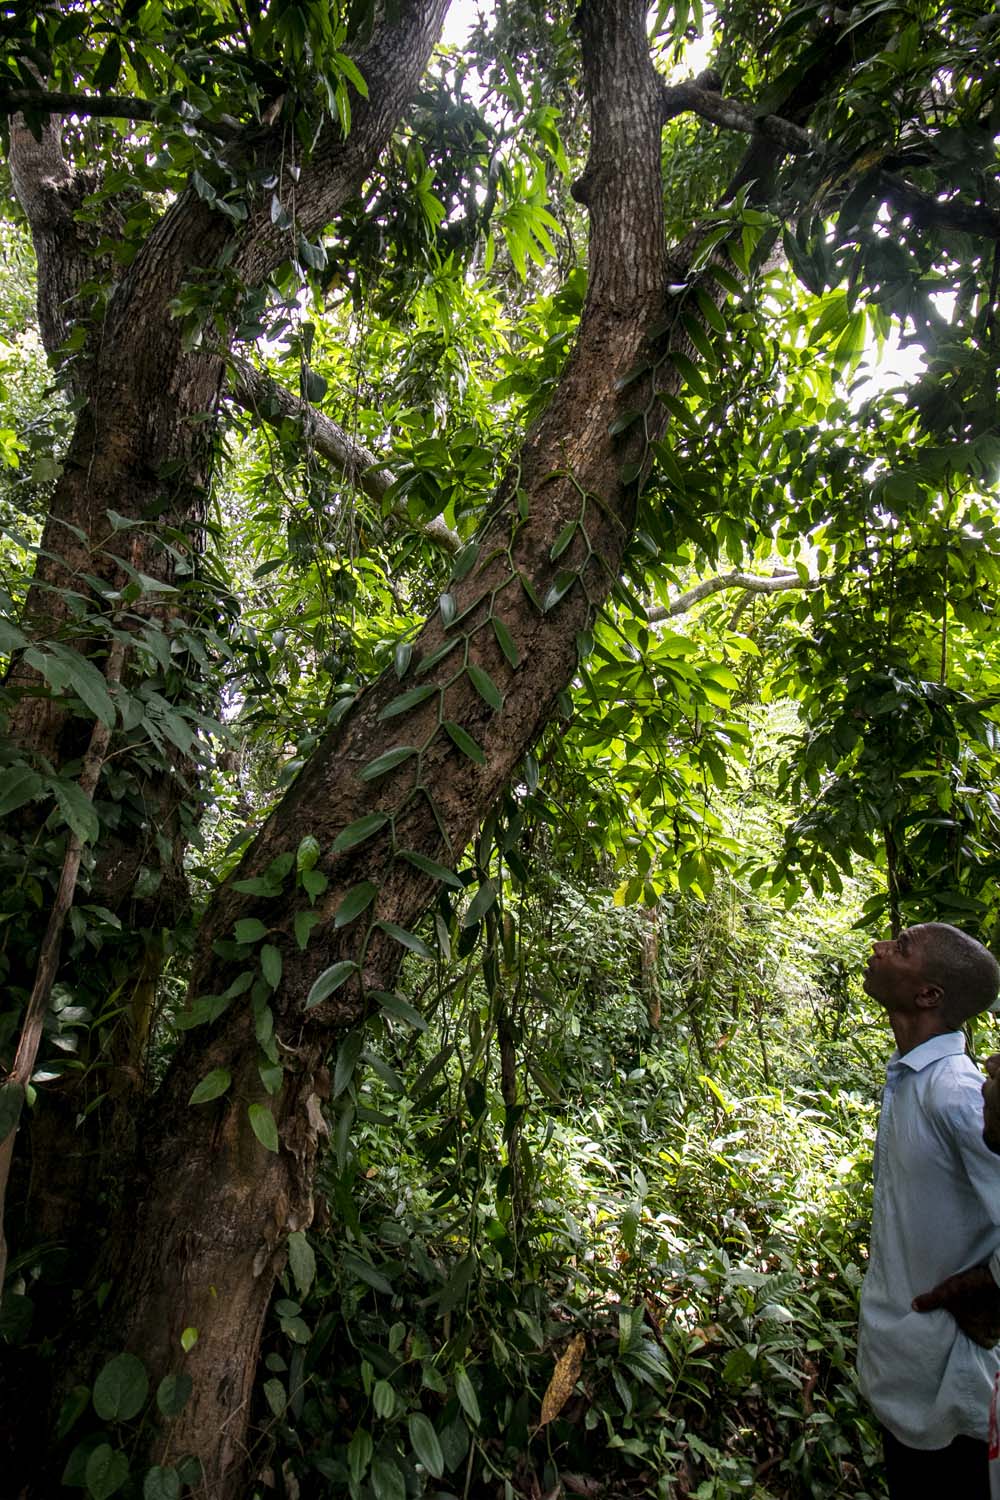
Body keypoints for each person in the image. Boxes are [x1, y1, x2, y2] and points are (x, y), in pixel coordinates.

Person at [857, 921, 1000, 1499]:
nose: (880, 949)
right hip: (907, 1375)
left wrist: (991, 1284)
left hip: (951, 1389)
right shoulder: (913, 1079)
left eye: (902, 947)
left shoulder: (958, 1093)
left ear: (928, 995)